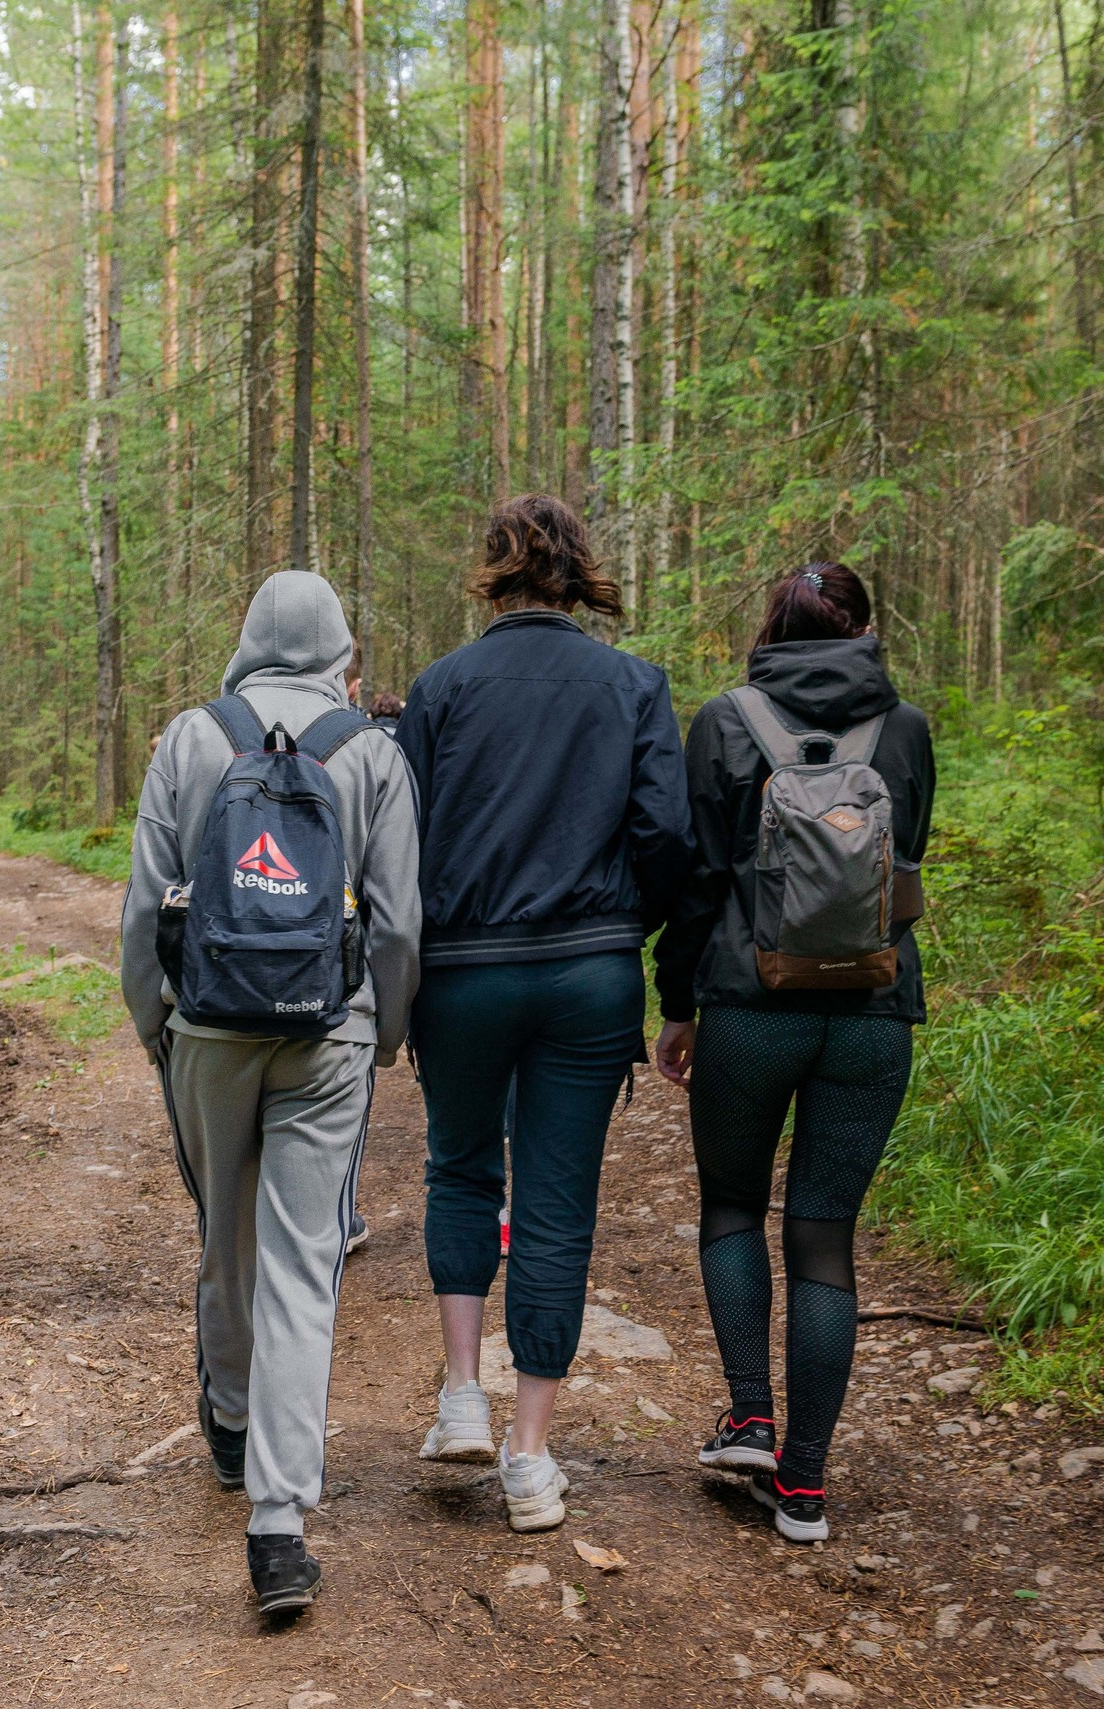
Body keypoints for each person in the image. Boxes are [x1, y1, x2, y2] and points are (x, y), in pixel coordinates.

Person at [121, 571, 422, 1616]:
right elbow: (397, 920)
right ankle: (280, 1523)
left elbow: (144, 906)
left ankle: (231, 1419)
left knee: (226, 1234)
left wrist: (156, 1024)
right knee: (304, 1262)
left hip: (206, 1029)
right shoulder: (370, 750)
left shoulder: (190, 737)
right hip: (329, 1031)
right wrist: (383, 1029)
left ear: (248, 637)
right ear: (340, 648)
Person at [394, 494, 691, 1533]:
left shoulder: (439, 687)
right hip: (587, 976)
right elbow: (666, 836)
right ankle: (528, 1456)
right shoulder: (633, 685)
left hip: (462, 973)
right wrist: (624, 927)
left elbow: (401, 838)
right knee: (558, 1204)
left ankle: (460, 1395)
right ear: (577, 570)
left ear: (494, 572)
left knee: (460, 1168)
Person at [652, 563, 935, 1544]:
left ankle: (750, 1419)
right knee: (824, 1236)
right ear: (862, 630)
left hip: (748, 1004)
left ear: (771, 629)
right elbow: (908, 857)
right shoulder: (904, 727)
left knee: (732, 1206)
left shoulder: (724, 721)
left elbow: (696, 879)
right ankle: (805, 1485)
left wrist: (676, 1004)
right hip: (873, 1009)